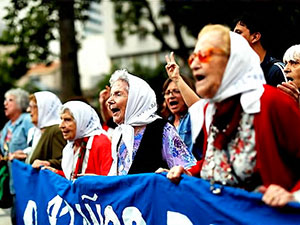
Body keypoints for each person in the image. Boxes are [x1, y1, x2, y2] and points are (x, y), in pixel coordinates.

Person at [157, 24, 300, 207]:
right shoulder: (213, 112)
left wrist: (292, 195)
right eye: (194, 56)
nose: (194, 63)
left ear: (232, 61)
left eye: (205, 55)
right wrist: (190, 172)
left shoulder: (272, 103)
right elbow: (219, 162)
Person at [106, 69, 196, 176]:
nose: (109, 100)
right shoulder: (119, 134)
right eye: (111, 95)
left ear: (135, 99)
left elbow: (187, 171)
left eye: (117, 94)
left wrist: (168, 175)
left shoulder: (161, 129)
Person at [45, 101, 112, 180]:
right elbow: (73, 179)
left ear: (82, 120)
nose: (61, 125)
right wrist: (56, 173)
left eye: (67, 120)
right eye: (61, 119)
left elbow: (108, 181)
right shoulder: (72, 145)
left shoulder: (101, 142)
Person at [0, 88, 33, 225]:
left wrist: (24, 153)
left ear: (21, 103)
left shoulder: (27, 121)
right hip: (12, 184)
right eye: (5, 100)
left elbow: (34, 145)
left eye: (10, 100)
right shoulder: (7, 126)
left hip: (26, 182)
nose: (5, 103)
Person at [233, 13, 287, 86]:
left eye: (238, 33)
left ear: (255, 37)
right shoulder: (239, 71)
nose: (233, 37)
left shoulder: (277, 70)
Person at [161, 66, 202, 160]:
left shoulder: (193, 118)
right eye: (167, 93)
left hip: (193, 173)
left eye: (176, 91)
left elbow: (198, 107)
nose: (171, 96)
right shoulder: (166, 124)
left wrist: (177, 78)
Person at [26, 91, 66, 170]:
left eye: (32, 106)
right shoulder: (38, 131)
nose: (28, 110)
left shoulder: (56, 130)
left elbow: (64, 162)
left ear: (44, 108)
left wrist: (48, 163)